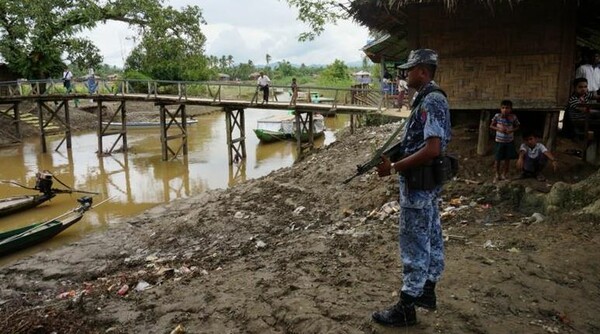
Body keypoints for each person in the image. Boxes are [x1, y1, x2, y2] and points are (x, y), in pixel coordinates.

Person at [373, 49, 451, 328]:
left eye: (409, 69)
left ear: (422, 71)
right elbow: (423, 143)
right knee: (430, 234)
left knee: (414, 243)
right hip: (424, 184)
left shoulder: (432, 100)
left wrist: (393, 168)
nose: (405, 74)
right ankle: (426, 291)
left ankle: (407, 306)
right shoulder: (428, 98)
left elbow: (432, 149)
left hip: (418, 186)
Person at [489, 100, 520, 182]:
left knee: (507, 159)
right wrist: (499, 129)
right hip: (499, 141)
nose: (505, 110)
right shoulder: (497, 116)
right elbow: (491, 125)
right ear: (500, 109)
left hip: (509, 141)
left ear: (511, 109)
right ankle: (496, 174)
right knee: (497, 158)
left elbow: (517, 126)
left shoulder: (513, 117)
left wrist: (511, 130)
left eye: (507, 108)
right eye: (503, 108)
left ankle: (504, 174)